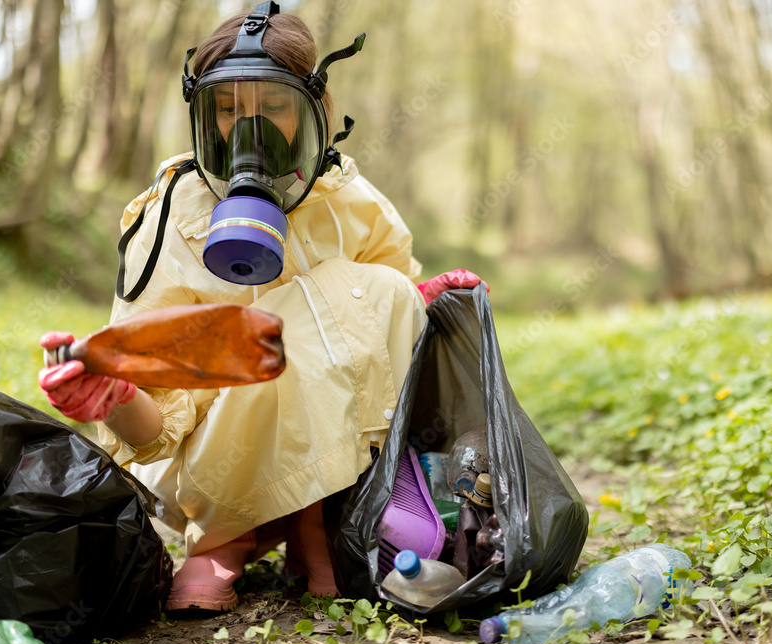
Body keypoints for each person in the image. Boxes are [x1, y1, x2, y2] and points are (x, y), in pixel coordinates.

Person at [37, 2, 483, 613]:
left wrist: (420, 300)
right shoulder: (172, 219)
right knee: (283, 328)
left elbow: (382, 341)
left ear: (315, 108)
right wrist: (115, 398)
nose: (250, 131)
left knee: (379, 290)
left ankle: (321, 524)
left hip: (342, 464)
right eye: (227, 110)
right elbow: (160, 426)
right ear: (202, 114)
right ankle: (222, 544)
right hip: (215, 474)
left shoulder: (348, 198)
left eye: (274, 108)